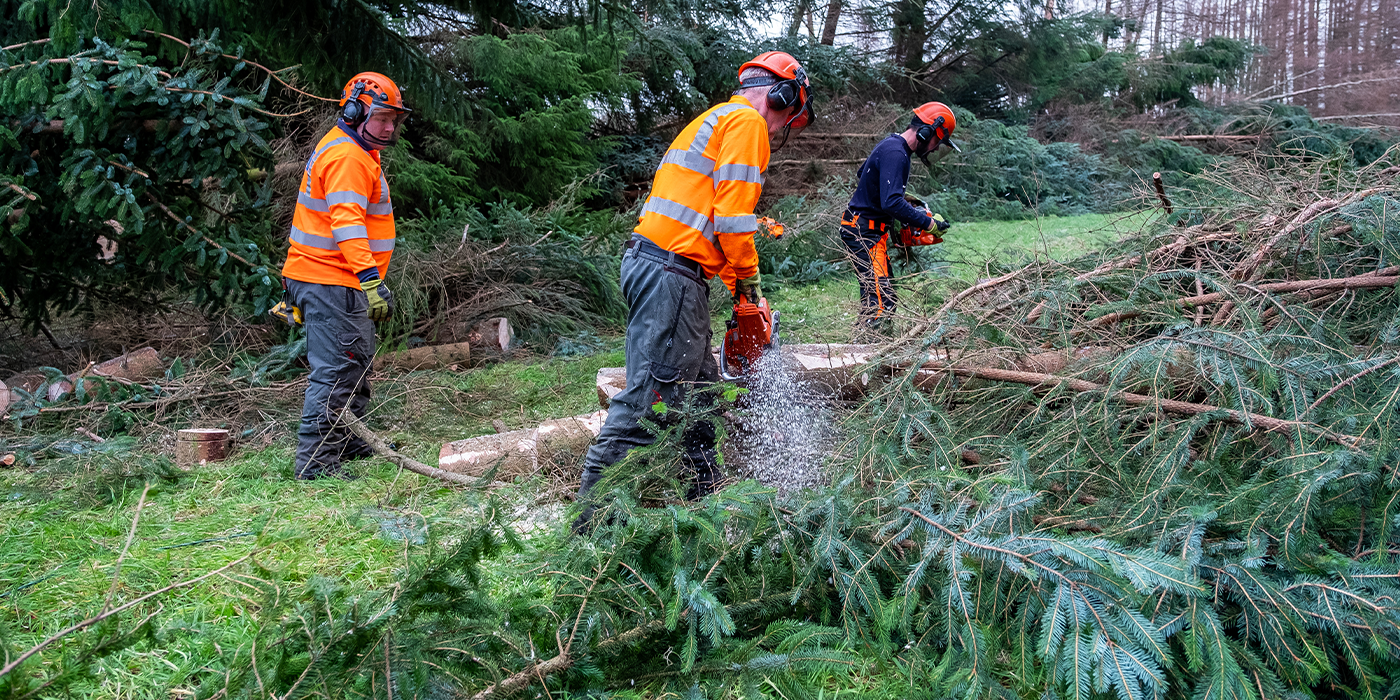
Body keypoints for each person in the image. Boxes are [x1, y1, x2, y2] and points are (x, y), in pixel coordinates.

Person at [574, 51, 814, 528]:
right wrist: (749, 285)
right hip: (671, 276)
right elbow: (732, 221)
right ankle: (588, 528)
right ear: (782, 95)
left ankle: (703, 504)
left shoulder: (714, 119)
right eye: (788, 113)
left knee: (700, 396)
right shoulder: (746, 123)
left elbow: (705, 224)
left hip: (666, 267)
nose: (781, 124)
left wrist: (742, 295)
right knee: (649, 399)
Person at [278, 72, 410, 480]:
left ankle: (349, 439)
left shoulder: (357, 150)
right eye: (383, 117)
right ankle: (316, 464)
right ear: (355, 111)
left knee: (355, 362)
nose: (390, 127)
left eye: (395, 119)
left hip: (336, 277)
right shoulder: (348, 157)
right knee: (336, 370)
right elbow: (347, 224)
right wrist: (371, 280)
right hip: (331, 278)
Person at [840, 102, 957, 329]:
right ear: (927, 131)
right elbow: (891, 202)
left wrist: (903, 199)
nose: (934, 149)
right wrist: (928, 223)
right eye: (937, 142)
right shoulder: (897, 153)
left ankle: (868, 351)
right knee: (881, 304)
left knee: (883, 298)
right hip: (865, 233)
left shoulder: (893, 145)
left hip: (868, 230)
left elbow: (863, 173)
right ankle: (868, 356)